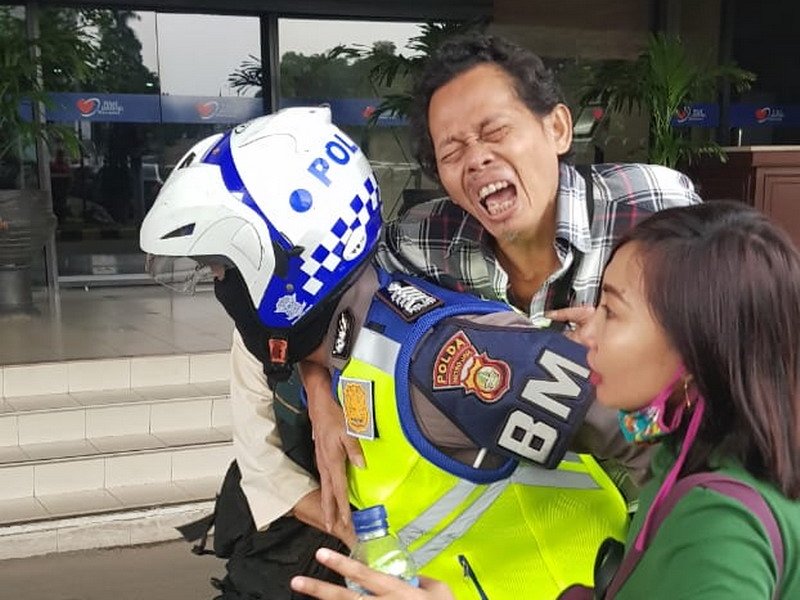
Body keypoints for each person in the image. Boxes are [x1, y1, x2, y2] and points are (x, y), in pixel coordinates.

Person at [141, 106, 634, 598]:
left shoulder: (440, 359)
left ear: (281, 263)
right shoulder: (352, 352)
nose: (217, 286)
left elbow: (670, 447)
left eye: (220, 270)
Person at [290, 201, 800, 600]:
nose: (583, 333)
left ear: (695, 348)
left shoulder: (720, 531)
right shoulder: (689, 458)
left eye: (612, 312)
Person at [305, 31, 701, 532]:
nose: (476, 159)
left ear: (557, 128)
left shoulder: (652, 205)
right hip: (530, 535)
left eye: (494, 132)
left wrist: (635, 339)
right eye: (452, 153)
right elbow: (324, 303)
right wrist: (320, 396)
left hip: (664, 508)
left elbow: (740, 340)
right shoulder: (423, 238)